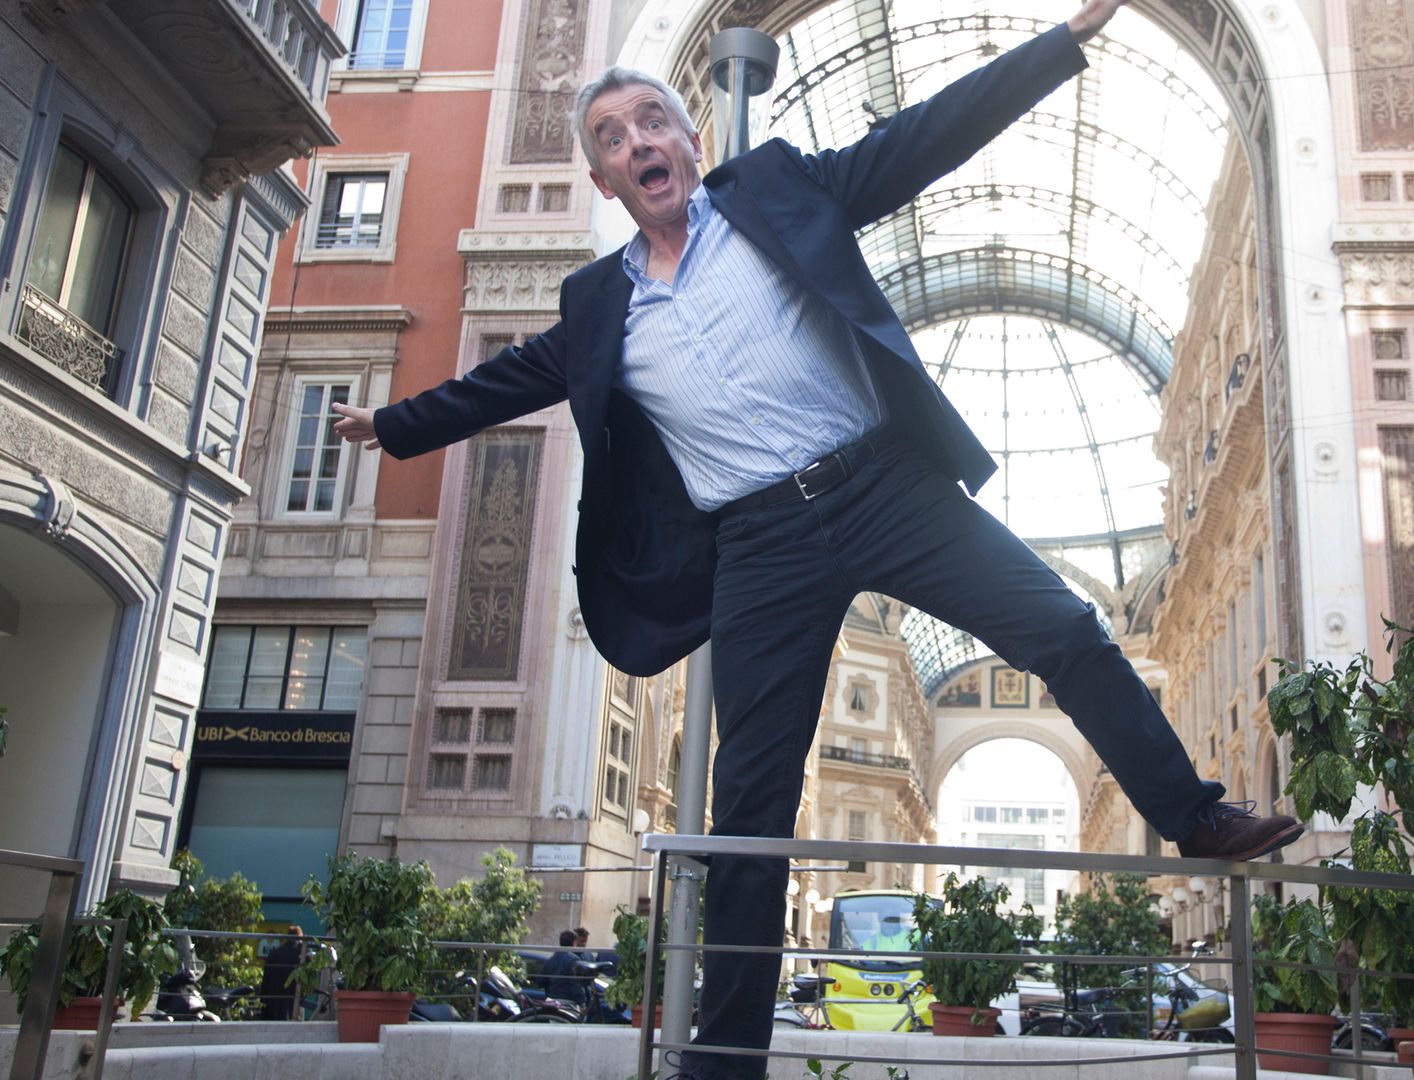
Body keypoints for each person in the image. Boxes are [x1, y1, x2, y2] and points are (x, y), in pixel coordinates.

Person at [329, 1, 1302, 1073]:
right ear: (605, 181)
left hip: (883, 485)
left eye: (652, 120)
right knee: (747, 800)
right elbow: (502, 379)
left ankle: (1195, 817)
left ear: (692, 138)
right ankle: (726, 1056)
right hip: (759, 544)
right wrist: (393, 423)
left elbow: (918, 139)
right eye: (613, 139)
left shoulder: (777, 190)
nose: (638, 143)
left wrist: (1065, 41)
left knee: (1064, 625)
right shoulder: (597, 303)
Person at [257, 926, 305, 1021]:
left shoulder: (275, 953)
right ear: (299, 938)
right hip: (292, 995)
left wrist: (263, 998)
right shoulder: (300, 954)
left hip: (274, 996)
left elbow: (266, 977)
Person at [537, 929, 582, 1003]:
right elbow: (575, 984)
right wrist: (581, 1001)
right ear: (574, 943)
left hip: (551, 1000)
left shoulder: (551, 959)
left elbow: (541, 981)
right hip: (567, 1001)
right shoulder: (574, 959)